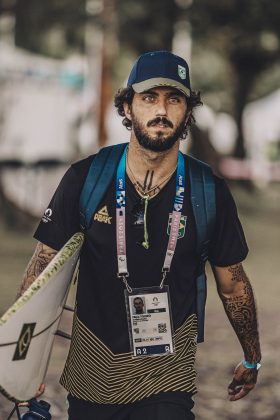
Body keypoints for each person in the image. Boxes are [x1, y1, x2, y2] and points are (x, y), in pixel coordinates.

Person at [19, 51, 261, 419]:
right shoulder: (86, 177)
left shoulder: (207, 190)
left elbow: (234, 284)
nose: (161, 110)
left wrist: (252, 357)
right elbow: (42, 267)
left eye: (174, 99)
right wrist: (22, 368)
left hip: (167, 370)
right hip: (93, 371)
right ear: (128, 107)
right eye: (149, 98)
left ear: (187, 112)